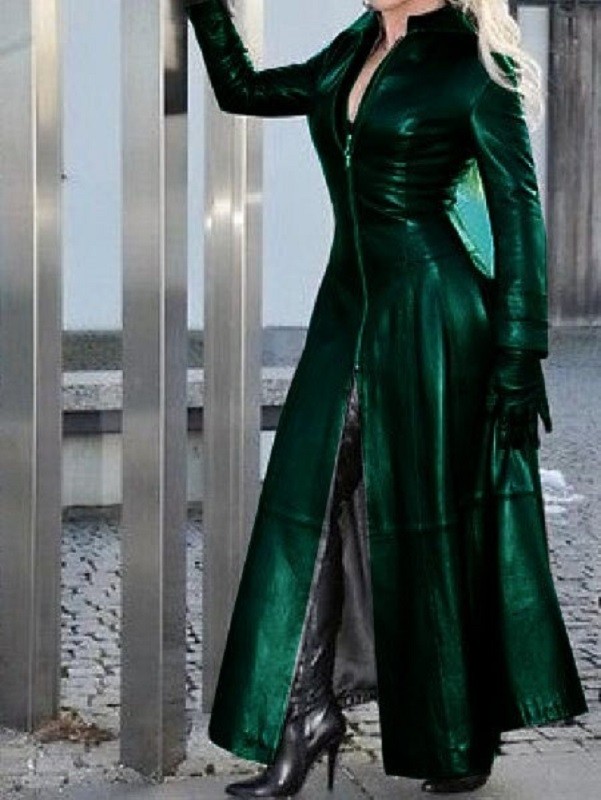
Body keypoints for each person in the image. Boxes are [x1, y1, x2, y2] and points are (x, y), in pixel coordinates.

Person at [185, 0, 588, 796]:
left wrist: (519, 351)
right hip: (345, 316)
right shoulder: (352, 49)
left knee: (432, 518)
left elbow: (518, 212)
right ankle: (306, 713)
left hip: (434, 316)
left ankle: (452, 733)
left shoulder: (475, 68)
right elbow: (244, 90)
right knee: (305, 501)